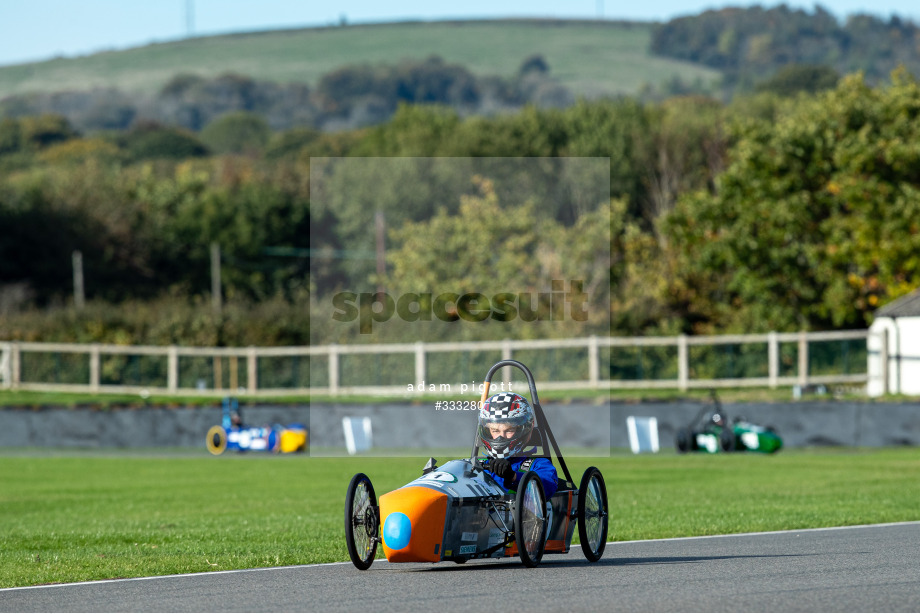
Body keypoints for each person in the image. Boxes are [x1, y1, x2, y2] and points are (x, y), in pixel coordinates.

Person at [479, 392, 557, 498]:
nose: (501, 437)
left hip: (525, 513)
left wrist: (513, 476)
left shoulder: (539, 464)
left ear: (522, 430)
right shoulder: (480, 466)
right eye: (495, 430)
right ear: (488, 431)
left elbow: (547, 486)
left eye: (509, 430)